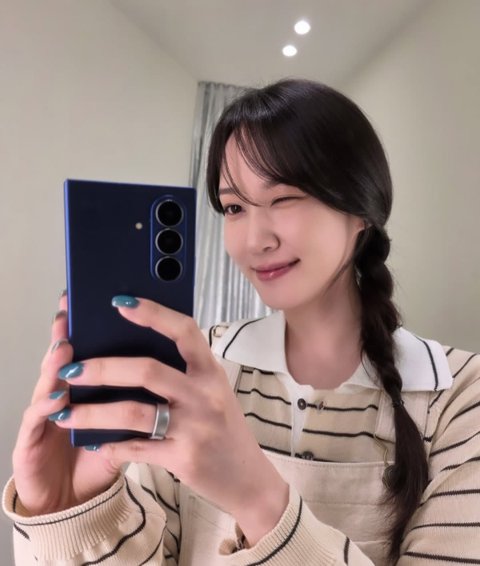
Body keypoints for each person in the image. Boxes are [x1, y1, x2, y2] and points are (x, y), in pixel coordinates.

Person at [3, 79, 480, 565]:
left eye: (285, 198)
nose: (254, 240)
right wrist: (73, 511)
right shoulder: (200, 365)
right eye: (234, 207)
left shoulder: (461, 398)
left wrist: (256, 498)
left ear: (362, 209)